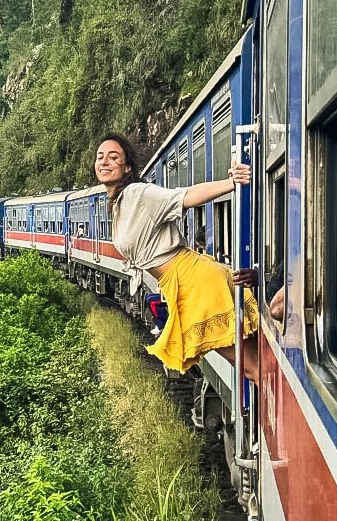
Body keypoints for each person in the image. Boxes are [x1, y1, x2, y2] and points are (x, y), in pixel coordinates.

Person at [96, 133, 260, 381]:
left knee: (252, 369)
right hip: (184, 283)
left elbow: (184, 196)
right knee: (254, 365)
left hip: (195, 283)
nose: (105, 162)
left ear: (127, 167)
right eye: (100, 157)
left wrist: (231, 183)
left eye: (113, 157)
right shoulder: (119, 203)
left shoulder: (137, 194)